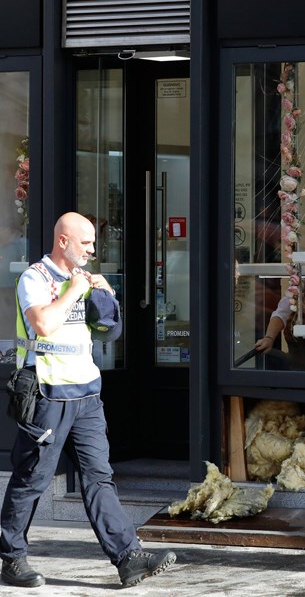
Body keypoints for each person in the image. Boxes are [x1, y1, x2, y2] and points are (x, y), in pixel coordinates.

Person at [0, 212, 176, 589]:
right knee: (32, 479)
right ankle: (12, 559)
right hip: (47, 394)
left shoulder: (83, 279)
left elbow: (108, 332)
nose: (92, 250)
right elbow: (43, 324)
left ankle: (128, 558)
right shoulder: (36, 278)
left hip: (87, 394)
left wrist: (105, 297)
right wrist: (73, 291)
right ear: (63, 241)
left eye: (94, 242)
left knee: (99, 478)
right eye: (86, 242)